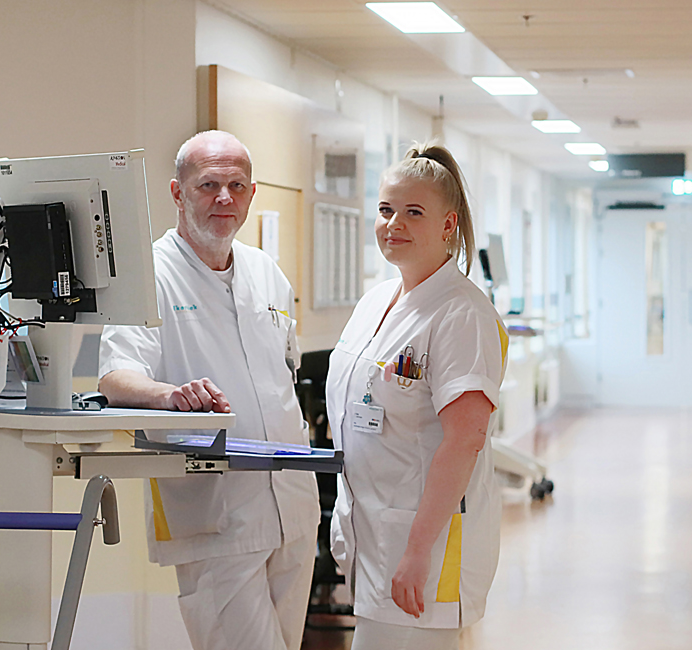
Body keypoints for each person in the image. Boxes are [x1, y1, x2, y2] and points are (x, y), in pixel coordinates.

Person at [98, 130, 320, 650]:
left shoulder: (266, 272)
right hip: (215, 513)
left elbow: (284, 371)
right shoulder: (148, 274)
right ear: (177, 192)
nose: (224, 198)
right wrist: (168, 395)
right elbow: (114, 377)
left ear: (251, 193)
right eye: (208, 185)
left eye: (236, 186)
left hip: (291, 504)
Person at [327, 142, 507, 650]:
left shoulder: (461, 314)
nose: (393, 224)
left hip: (421, 544)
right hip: (373, 532)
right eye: (385, 210)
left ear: (448, 225)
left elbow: (464, 442)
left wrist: (417, 550)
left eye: (413, 212)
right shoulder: (375, 301)